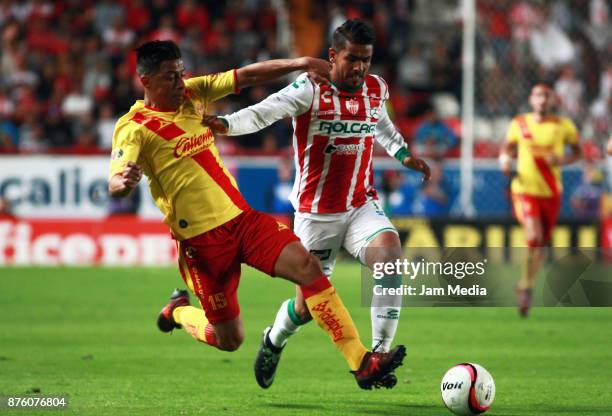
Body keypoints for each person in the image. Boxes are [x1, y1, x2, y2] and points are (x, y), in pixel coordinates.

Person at [107, 40, 405, 390]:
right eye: (170, 77)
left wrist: (298, 61)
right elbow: (116, 178)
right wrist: (122, 182)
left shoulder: (193, 93)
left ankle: (361, 361)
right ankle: (177, 311)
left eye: (180, 72)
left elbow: (246, 76)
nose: (180, 81)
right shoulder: (134, 126)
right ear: (146, 81)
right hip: (201, 245)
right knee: (229, 339)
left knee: (309, 269)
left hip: (243, 221)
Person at [204, 20, 430, 389]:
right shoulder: (309, 90)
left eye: (366, 60)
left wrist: (404, 154)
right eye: (352, 59)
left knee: (389, 254)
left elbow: (381, 126)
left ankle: (376, 354)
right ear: (332, 56)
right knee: (306, 308)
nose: (359, 68)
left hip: (361, 205)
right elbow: (264, 111)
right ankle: (274, 340)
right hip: (316, 214)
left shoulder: (375, 89)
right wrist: (225, 124)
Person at [499, 83, 581, 317]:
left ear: (553, 100)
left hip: (551, 192)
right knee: (534, 235)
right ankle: (525, 287)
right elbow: (507, 147)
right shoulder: (519, 123)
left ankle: (525, 285)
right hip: (524, 189)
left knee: (539, 245)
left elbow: (578, 152)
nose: (542, 100)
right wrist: (504, 161)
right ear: (531, 99)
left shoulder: (563, 126)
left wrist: (562, 160)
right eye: (538, 95)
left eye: (546, 95)